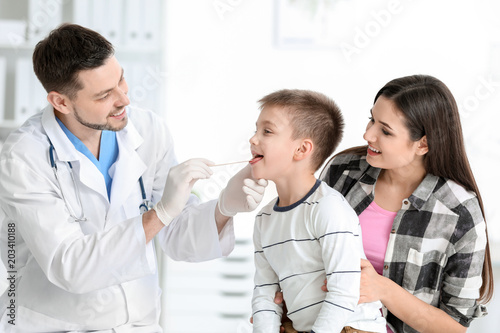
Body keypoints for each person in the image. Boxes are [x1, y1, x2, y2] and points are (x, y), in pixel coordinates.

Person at [0, 23, 267, 332]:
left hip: (139, 323)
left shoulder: (147, 130)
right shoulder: (24, 158)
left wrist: (224, 208)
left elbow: (175, 237)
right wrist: (161, 212)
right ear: (60, 102)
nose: (124, 99)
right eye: (103, 95)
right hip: (55, 325)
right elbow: (70, 266)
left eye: (121, 79)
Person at [310, 74, 493, 333]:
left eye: (385, 130)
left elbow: (455, 326)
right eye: (372, 119)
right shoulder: (343, 173)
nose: (368, 134)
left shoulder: (459, 212)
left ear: (423, 144)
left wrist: (382, 289)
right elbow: (304, 248)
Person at [250, 89, 386, 333]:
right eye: (256, 130)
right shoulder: (264, 220)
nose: (253, 139)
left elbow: (344, 293)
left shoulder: (328, 208)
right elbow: (265, 293)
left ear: (302, 150)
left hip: (350, 328)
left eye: (267, 131)